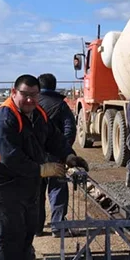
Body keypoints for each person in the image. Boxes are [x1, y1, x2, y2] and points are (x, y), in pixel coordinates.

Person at [0, 74, 89, 260]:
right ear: (14, 93)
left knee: (26, 229)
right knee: (6, 235)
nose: (29, 100)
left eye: (33, 95)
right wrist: (42, 170)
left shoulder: (37, 114)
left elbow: (53, 138)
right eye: (25, 95)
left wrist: (68, 155)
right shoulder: (4, 120)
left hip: (22, 182)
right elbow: (11, 158)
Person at [36, 73, 77, 237]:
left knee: (36, 193)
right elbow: (70, 129)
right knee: (58, 190)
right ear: (54, 85)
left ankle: (36, 228)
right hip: (56, 156)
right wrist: (63, 150)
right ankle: (58, 227)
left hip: (35, 157)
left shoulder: (32, 104)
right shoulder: (61, 105)